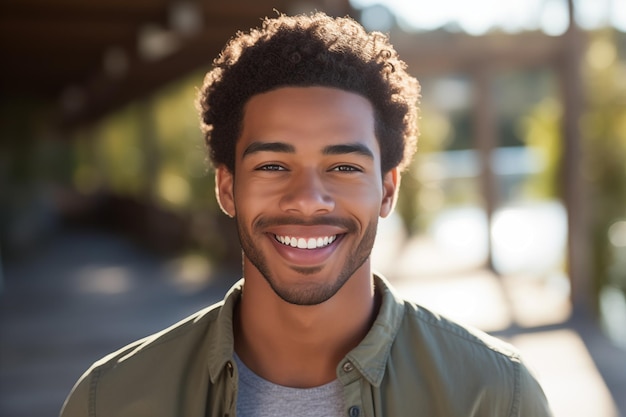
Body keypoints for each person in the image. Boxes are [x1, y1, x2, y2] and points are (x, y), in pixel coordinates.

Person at [60, 11, 552, 417]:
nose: (308, 199)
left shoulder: (494, 397)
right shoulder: (110, 401)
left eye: (342, 166)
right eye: (273, 165)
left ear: (387, 189)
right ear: (227, 187)